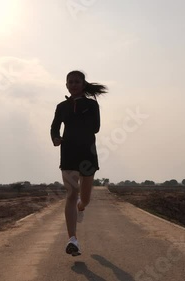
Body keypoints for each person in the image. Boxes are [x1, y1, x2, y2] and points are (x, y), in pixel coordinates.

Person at [50, 70, 107, 256]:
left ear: (83, 84)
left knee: (85, 199)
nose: (73, 84)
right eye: (70, 82)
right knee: (71, 193)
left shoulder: (91, 105)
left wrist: (80, 108)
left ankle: (81, 208)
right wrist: (56, 138)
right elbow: (54, 127)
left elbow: (96, 128)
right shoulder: (61, 106)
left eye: (77, 81)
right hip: (68, 153)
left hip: (87, 153)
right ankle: (72, 239)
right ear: (66, 85)